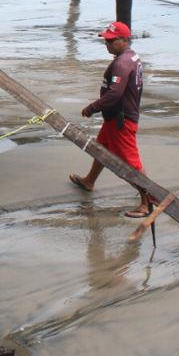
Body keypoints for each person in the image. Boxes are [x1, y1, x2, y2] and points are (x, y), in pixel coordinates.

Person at [69, 21, 151, 217]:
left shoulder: (122, 63)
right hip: (116, 117)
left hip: (121, 120)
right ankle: (89, 181)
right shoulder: (131, 57)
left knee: (131, 164)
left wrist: (92, 107)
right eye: (106, 41)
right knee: (101, 149)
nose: (107, 44)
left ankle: (146, 203)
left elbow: (114, 94)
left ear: (124, 40)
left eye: (112, 41)